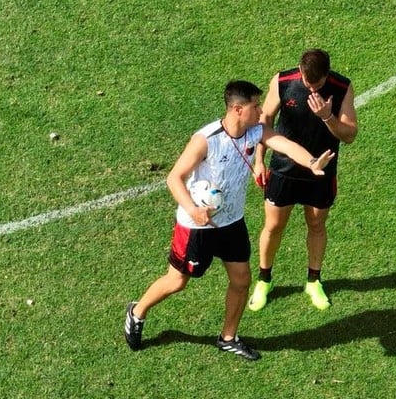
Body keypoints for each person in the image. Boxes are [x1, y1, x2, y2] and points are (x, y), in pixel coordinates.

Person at [124, 80, 334, 361]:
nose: (261, 112)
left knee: (241, 280)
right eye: (255, 106)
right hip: (196, 226)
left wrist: (311, 162)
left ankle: (228, 337)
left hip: (232, 223)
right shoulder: (206, 140)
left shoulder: (255, 131)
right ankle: (137, 312)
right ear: (237, 109)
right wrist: (193, 209)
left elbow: (284, 144)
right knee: (177, 281)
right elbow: (174, 178)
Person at [248, 49, 358, 311]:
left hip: (321, 171)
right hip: (283, 169)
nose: (312, 89)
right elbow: (264, 121)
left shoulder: (342, 88)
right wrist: (259, 160)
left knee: (317, 224)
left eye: (317, 84)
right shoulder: (283, 81)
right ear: (300, 70)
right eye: (308, 83)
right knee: (273, 225)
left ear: (327, 75)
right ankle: (264, 280)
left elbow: (350, 135)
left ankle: (313, 281)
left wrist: (327, 117)